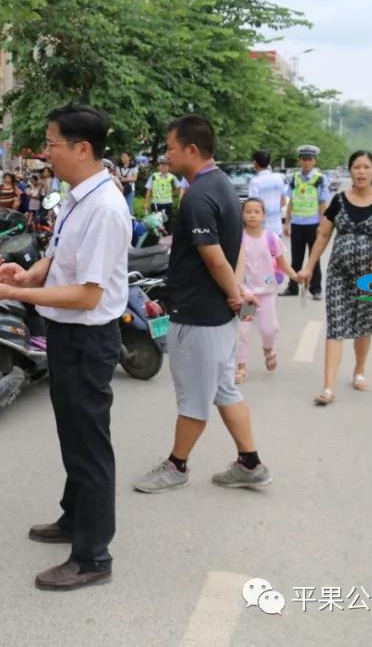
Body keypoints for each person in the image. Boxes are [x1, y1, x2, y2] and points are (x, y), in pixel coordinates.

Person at [0, 105, 129, 591]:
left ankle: (93, 555)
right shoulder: (78, 197)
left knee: (88, 444)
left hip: (88, 336)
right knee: (72, 437)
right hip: (65, 333)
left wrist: (14, 294)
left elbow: (88, 293)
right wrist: (25, 274)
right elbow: (60, 261)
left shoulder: (104, 207)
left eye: (53, 143)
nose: (46, 152)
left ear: (82, 149)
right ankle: (74, 518)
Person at [132, 115, 272, 494]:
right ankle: (250, 462)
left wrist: (232, 290)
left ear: (191, 150)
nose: (167, 154)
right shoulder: (223, 184)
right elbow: (236, 245)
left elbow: (214, 257)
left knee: (194, 396)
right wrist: (237, 290)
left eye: (171, 148)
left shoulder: (197, 195)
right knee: (225, 388)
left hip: (199, 317)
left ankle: (176, 466)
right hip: (219, 317)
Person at [298, 150, 372, 405]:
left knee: (363, 324)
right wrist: (309, 266)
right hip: (339, 273)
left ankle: (359, 370)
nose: (361, 172)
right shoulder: (338, 201)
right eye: (357, 167)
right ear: (349, 170)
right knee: (337, 325)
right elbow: (323, 235)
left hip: (371, 275)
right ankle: (328, 386)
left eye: (366, 167)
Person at [234, 198, 298, 384]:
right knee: (243, 331)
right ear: (242, 215)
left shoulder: (271, 238)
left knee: (268, 329)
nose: (252, 215)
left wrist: (296, 276)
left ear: (263, 215)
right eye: (248, 211)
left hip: (267, 293)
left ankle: (268, 350)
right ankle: (241, 367)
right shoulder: (239, 239)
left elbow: (283, 263)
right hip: (247, 295)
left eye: (256, 211)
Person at [282, 145, 330, 300]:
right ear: (299, 160)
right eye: (304, 159)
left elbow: (323, 203)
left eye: (309, 159)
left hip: (313, 224)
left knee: (313, 258)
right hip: (297, 223)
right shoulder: (294, 178)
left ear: (314, 161)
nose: (306, 162)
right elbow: (291, 202)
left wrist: (322, 225)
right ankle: (293, 286)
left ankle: (315, 289)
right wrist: (287, 222)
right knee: (296, 258)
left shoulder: (320, 179)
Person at [247, 149, 287, 237]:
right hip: (277, 228)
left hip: (261, 230)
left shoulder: (255, 182)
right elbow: (283, 201)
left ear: (255, 163)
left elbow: (253, 206)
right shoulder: (279, 178)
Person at [143, 156, 181, 225]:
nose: (163, 166)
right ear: (159, 166)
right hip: (155, 204)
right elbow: (148, 190)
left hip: (167, 203)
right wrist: (146, 203)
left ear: (168, 166)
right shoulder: (153, 176)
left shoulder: (172, 177)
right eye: (161, 164)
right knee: (155, 224)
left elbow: (179, 189)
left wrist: (178, 200)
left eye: (165, 165)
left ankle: (167, 235)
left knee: (167, 223)